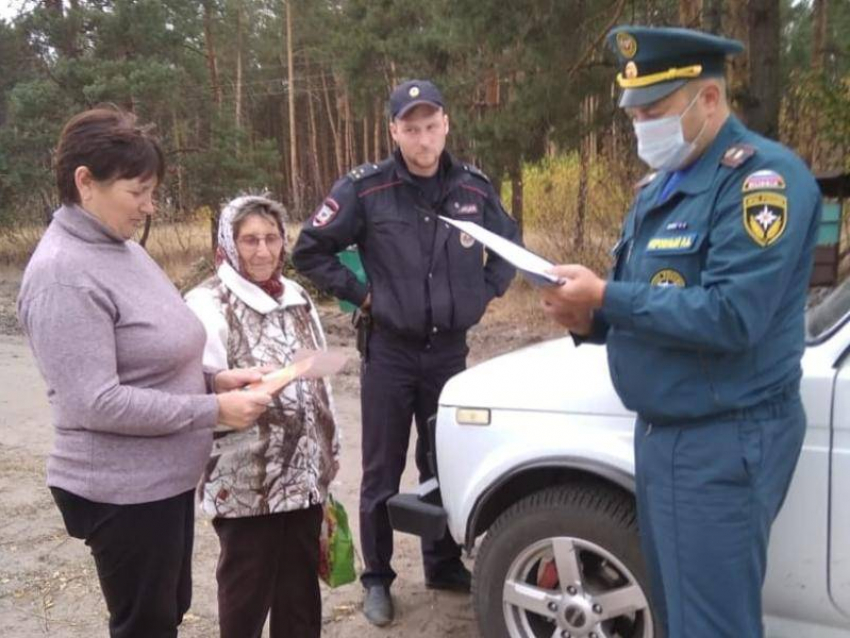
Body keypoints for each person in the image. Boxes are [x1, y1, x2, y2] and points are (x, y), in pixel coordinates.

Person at [540, 26, 822, 638]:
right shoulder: (661, 187)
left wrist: (607, 296)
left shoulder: (761, 182)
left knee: (712, 621)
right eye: (635, 113)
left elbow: (732, 316)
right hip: (668, 434)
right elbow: (654, 301)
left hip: (724, 436)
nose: (643, 126)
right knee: (677, 611)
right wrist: (589, 317)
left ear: (711, 100)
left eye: (656, 111)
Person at [16, 107, 272, 638]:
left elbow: (151, 354)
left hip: (162, 479)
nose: (149, 206)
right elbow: (95, 401)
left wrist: (211, 381)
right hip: (121, 490)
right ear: (85, 182)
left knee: (166, 612)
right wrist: (212, 410)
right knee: (144, 625)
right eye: (138, 192)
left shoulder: (121, 250)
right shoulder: (62, 275)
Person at [292, 79, 520, 626]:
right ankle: (378, 579)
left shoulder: (473, 188)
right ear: (394, 130)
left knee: (442, 463)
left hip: (448, 354)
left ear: (446, 125)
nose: (423, 137)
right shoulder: (366, 189)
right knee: (383, 470)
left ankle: (441, 564)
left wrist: (481, 293)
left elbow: (508, 246)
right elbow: (309, 250)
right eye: (410, 127)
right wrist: (364, 294)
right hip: (390, 353)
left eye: (431, 124)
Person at [184, 194, 340, 638]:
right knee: (246, 591)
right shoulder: (208, 304)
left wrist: (332, 447)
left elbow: (320, 374)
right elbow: (196, 387)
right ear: (229, 244)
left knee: (300, 591)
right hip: (246, 475)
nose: (263, 251)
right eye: (250, 240)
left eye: (272, 239)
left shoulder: (297, 296)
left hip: (305, 474)